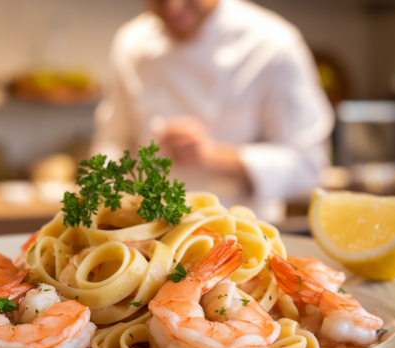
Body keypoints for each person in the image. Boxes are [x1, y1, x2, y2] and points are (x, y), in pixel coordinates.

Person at [91, 0, 334, 223]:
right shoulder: (130, 43)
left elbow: (308, 166)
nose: (172, 7)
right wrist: (98, 197)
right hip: (148, 234)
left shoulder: (274, 45)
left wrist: (213, 155)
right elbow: (112, 140)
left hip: (241, 238)